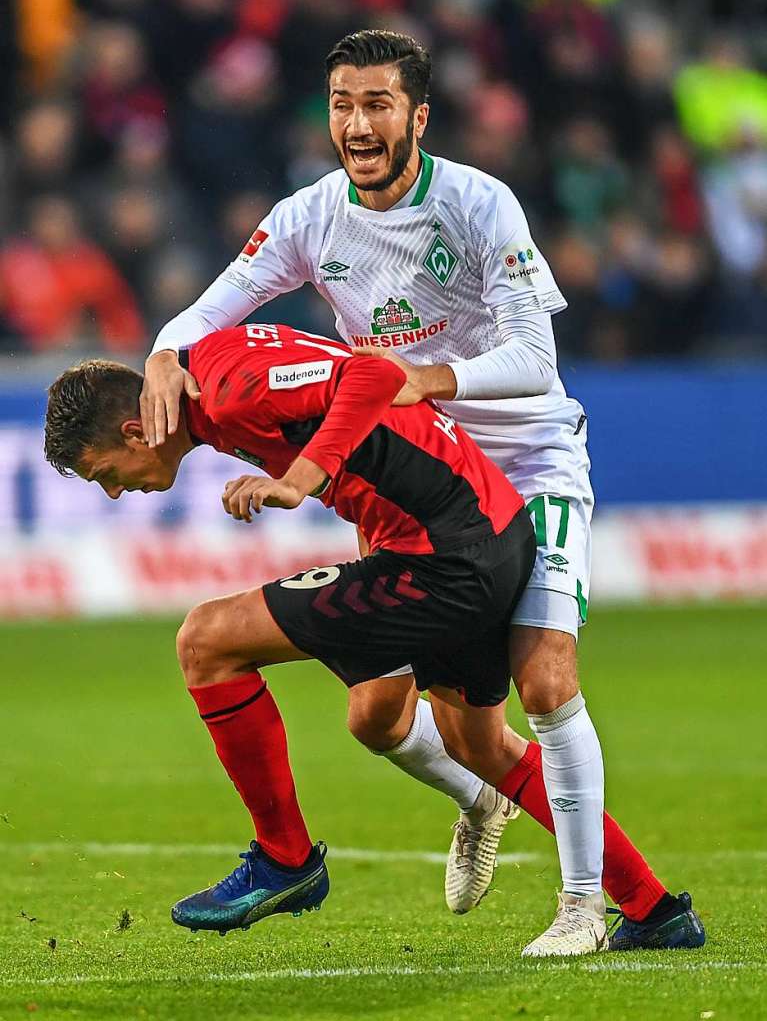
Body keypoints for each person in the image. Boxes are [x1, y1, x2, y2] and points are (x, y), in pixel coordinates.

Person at [138, 31, 704, 954]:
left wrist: (424, 378)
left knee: (545, 676)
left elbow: (533, 359)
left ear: (418, 116)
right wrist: (165, 352)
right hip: (416, 485)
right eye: (340, 105)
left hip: (523, 465)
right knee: (378, 718)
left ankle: (585, 907)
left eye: (377, 104)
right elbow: (207, 308)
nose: (356, 124)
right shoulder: (311, 216)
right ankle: (481, 801)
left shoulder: (480, 204)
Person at [44, 324, 540, 944]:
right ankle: (543, 838)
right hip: (404, 530)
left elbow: (373, 374)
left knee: (207, 640)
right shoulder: (211, 385)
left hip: (445, 539)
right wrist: (166, 353)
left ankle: (286, 858)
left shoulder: (229, 389)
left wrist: (298, 481)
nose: (115, 491)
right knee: (377, 719)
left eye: (105, 474)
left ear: (135, 433)